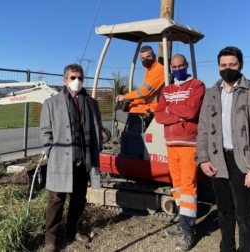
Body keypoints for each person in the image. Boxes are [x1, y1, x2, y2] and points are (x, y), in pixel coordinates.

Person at [196, 46, 250, 252]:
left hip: (243, 161)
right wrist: (203, 159)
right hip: (217, 160)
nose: (227, 69)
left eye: (232, 65)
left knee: (244, 214)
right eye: (223, 65)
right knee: (223, 212)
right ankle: (226, 248)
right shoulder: (211, 94)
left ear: (241, 65)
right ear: (218, 66)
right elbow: (202, 129)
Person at [39, 63, 104, 252]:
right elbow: (45, 131)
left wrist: (97, 146)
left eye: (80, 78)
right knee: (56, 200)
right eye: (73, 78)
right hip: (61, 159)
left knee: (78, 198)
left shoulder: (92, 103)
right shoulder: (52, 103)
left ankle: (72, 231)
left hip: (83, 159)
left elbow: (98, 126)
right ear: (65, 80)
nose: (77, 81)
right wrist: (50, 151)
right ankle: (50, 239)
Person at [154, 54, 205, 251]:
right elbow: (159, 116)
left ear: (187, 65)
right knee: (177, 186)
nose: (177, 69)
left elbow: (192, 112)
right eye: (174, 67)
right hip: (171, 144)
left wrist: (171, 110)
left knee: (188, 187)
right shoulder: (166, 89)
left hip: (188, 144)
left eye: (180, 66)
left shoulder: (197, 86)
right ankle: (183, 223)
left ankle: (187, 232)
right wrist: (179, 114)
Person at [116, 45, 165, 114]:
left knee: (132, 110)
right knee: (130, 106)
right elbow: (146, 96)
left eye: (148, 57)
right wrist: (132, 100)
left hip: (157, 105)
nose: (146, 60)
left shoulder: (158, 70)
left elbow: (144, 92)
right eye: (143, 58)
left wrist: (125, 97)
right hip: (151, 103)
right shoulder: (149, 71)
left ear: (154, 56)